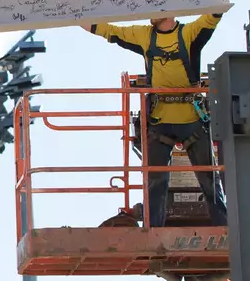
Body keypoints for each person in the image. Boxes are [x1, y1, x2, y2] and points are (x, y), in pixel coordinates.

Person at [83, 12, 228, 228]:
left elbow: (211, 19)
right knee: (155, 183)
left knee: (210, 180)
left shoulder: (188, 33)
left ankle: (226, 231)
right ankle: (153, 234)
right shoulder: (144, 36)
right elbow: (109, 31)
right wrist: (71, 13)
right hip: (160, 123)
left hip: (192, 119)